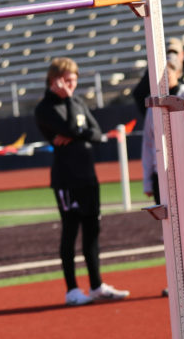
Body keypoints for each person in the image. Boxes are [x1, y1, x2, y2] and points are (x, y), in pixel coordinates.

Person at [34, 57, 130, 306]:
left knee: (92, 232)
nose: (71, 85)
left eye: (74, 81)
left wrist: (77, 132)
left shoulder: (77, 101)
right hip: (67, 180)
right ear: (54, 81)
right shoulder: (45, 108)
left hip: (89, 177)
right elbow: (71, 128)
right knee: (70, 233)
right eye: (67, 81)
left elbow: (96, 134)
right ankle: (72, 290)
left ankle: (97, 285)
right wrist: (69, 110)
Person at [142, 52, 184, 205]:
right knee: (167, 224)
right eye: (161, 72)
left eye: (169, 70)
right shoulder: (154, 104)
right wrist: (147, 180)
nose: (164, 75)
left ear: (178, 72)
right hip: (160, 173)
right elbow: (148, 140)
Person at [133, 37, 184, 127]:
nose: (172, 56)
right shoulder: (153, 72)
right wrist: (154, 115)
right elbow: (139, 94)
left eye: (175, 52)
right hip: (164, 123)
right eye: (168, 52)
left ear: (182, 54)